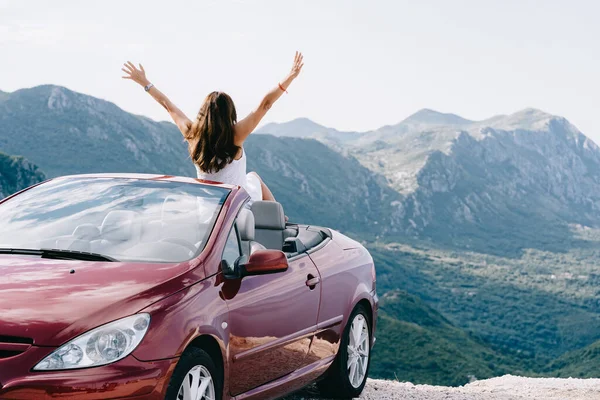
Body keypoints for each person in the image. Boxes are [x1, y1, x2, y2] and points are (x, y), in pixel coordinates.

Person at [121, 52, 304, 207]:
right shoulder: (235, 136)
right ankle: (278, 221)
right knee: (254, 177)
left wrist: (145, 83)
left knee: (252, 177)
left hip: (207, 209)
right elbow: (265, 104)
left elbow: (168, 106)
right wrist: (291, 76)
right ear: (230, 113)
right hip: (236, 210)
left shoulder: (193, 135)